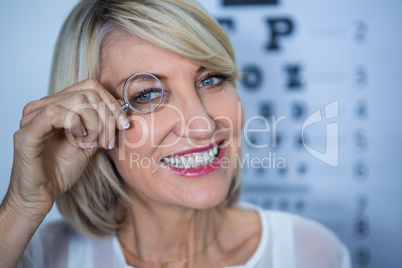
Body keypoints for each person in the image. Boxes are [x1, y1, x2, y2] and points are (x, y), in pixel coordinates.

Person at [0, 0, 351, 267]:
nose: (201, 124)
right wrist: (22, 207)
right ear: (87, 122)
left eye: (211, 79)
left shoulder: (311, 252)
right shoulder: (37, 255)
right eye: (147, 95)